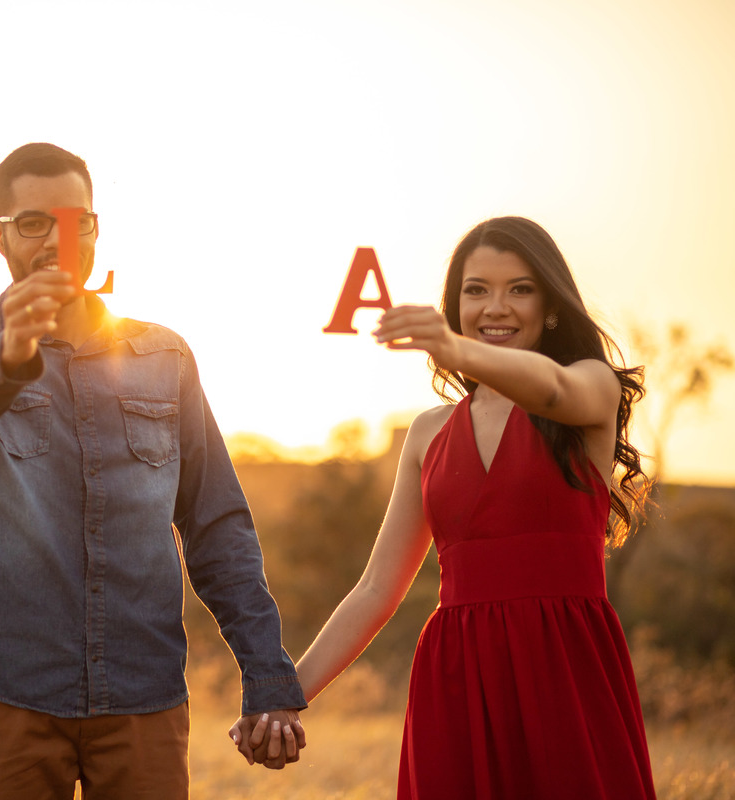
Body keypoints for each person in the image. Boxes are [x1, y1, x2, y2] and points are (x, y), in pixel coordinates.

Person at [0, 142, 306, 799]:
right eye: (34, 222)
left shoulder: (163, 355)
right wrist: (11, 350)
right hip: (12, 689)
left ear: (95, 227)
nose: (59, 240)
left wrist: (266, 674)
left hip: (143, 692)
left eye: (76, 221)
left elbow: (216, 526)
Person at [236, 216, 657, 798]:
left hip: (565, 666)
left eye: (520, 289)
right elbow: (377, 589)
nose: (496, 307)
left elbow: (552, 390)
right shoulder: (429, 433)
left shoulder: (590, 387)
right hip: (457, 678)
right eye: (476, 290)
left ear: (552, 306)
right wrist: (284, 695)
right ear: (455, 305)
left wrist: (456, 350)